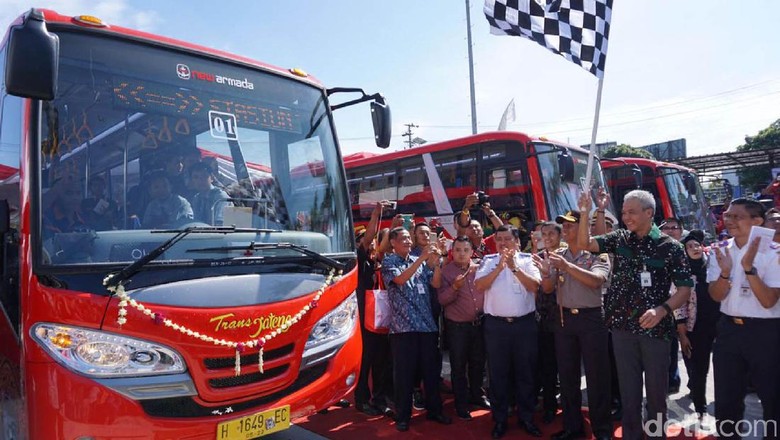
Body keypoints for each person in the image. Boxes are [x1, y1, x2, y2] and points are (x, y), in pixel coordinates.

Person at [578, 190, 692, 440]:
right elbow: (585, 243)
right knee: (629, 394)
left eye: (631, 212)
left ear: (649, 213)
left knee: (655, 395)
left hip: (655, 331)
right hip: (622, 328)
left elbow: (684, 288)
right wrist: (586, 210)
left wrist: (662, 310)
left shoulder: (670, 247)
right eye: (624, 212)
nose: (625, 217)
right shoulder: (619, 239)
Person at [707, 198, 780, 439]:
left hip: (765, 332)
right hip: (729, 331)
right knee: (726, 398)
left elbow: (769, 301)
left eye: (737, 216)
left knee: (772, 397)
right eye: (727, 215)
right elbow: (716, 295)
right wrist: (726, 272)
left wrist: (749, 268)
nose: (729, 221)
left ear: (757, 221)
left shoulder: (774, 253)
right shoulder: (721, 250)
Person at [538, 210, 612, 440]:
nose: (566, 230)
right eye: (565, 226)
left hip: (591, 319)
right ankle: (572, 427)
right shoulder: (558, 254)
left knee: (597, 377)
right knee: (568, 376)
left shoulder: (598, 254)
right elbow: (549, 289)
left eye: (571, 226)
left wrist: (567, 267)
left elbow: (597, 281)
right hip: (564, 319)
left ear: (584, 229)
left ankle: (602, 430)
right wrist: (546, 273)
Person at [475, 224, 542, 439]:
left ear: (517, 241)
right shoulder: (488, 261)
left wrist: (513, 267)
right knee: (498, 374)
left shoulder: (528, 260)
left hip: (524, 325)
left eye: (507, 239)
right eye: (499, 239)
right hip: (496, 327)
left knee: (526, 372)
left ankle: (527, 417)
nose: (503, 243)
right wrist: (499, 267)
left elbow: (534, 286)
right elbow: (480, 285)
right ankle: (500, 419)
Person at [382, 227, 452, 432]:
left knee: (431, 373)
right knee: (404, 375)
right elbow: (400, 280)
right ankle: (403, 416)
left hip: (427, 326)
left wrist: (437, 262)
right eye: (402, 238)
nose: (407, 241)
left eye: (408, 238)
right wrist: (421, 259)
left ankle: (435, 411)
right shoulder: (389, 262)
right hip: (403, 329)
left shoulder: (419, 261)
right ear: (393, 242)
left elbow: (436, 283)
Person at [438, 236, 489, 421]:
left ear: (471, 252)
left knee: (478, 363)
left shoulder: (480, 268)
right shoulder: (446, 271)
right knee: (459, 366)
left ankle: (478, 395)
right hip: (457, 327)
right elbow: (442, 299)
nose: (461, 253)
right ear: (452, 251)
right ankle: (461, 403)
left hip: (479, 324)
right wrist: (455, 287)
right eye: (457, 250)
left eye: (465, 250)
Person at [354, 201, 394, 417]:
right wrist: (376, 215)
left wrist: (394, 223)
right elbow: (371, 237)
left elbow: (383, 243)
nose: (369, 244)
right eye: (364, 241)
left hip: (380, 319)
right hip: (364, 320)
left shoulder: (377, 261)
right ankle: (361, 399)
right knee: (366, 361)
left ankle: (379, 399)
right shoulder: (359, 260)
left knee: (381, 360)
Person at [673, 229, 718, 420]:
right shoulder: (682, 273)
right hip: (695, 328)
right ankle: (700, 406)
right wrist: (682, 333)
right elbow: (678, 306)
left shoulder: (713, 268)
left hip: (718, 325)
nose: (695, 248)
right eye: (689, 246)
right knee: (699, 367)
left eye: (697, 245)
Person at [534, 221, 561, 425]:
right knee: (547, 367)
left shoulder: (566, 257)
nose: (548, 237)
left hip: (564, 319)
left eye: (552, 233)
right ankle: (550, 406)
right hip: (543, 321)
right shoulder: (538, 257)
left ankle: (568, 408)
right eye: (545, 234)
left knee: (568, 369)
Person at [659, 217, 684, 395]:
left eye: (674, 227)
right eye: (666, 228)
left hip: (688, 307)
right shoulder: (657, 251)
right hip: (666, 306)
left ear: (681, 231)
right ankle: (671, 380)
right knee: (670, 346)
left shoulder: (690, 248)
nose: (670, 230)